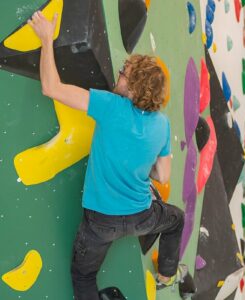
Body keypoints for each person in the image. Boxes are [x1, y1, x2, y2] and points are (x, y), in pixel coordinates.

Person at [28, 11, 188, 300]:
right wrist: (137, 161)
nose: (119, 75)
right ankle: (167, 274)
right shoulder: (162, 124)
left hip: (100, 222)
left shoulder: (110, 106)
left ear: (134, 87)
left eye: (124, 73)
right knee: (176, 219)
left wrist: (46, 39)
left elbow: (50, 87)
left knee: (84, 276)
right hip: (141, 216)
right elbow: (163, 175)